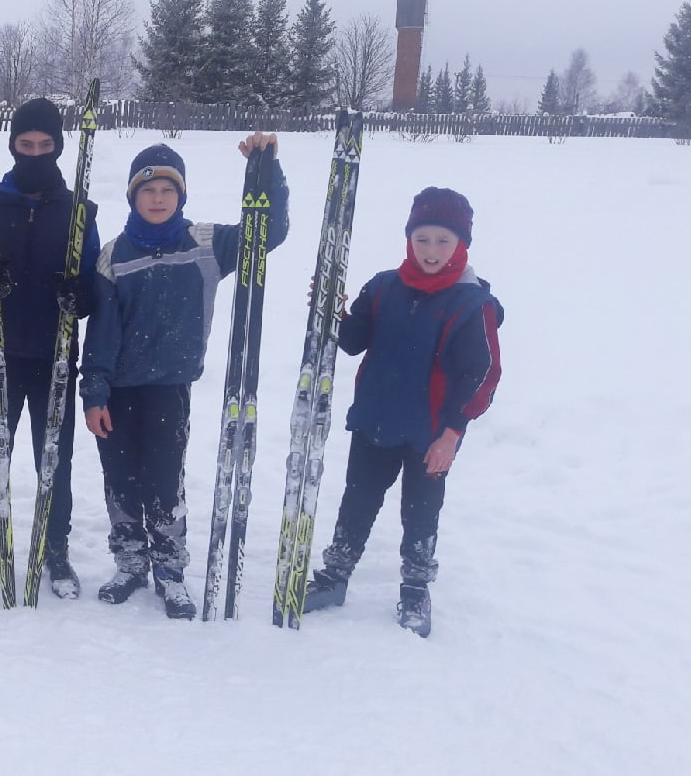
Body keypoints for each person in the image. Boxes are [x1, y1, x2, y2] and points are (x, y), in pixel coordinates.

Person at [80, 135, 288, 618]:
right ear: (132, 196)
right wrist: (94, 391)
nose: (157, 199)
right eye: (147, 190)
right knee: (120, 479)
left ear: (181, 196)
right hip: (117, 388)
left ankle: (170, 571)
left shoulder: (206, 244)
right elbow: (102, 333)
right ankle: (130, 562)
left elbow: (267, 232)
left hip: (170, 387)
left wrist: (266, 173)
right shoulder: (114, 255)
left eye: (167, 190)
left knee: (164, 480)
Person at [301, 187, 503, 637]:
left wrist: (452, 434)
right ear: (409, 239)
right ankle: (334, 577)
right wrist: (331, 311)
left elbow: (483, 375)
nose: (431, 251)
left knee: (420, 513)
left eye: (443, 241)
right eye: (423, 239)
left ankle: (415, 590)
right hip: (375, 421)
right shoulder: (384, 286)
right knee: (357, 501)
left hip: (431, 434)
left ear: (461, 244)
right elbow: (354, 341)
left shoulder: (474, 304)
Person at [0, 97, 99, 598]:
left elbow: (92, 279)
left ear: (58, 147)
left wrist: (79, 296)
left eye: (44, 145)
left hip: (55, 353)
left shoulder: (79, 210)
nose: (35, 152)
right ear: (12, 145)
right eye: (25, 144)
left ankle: (54, 546)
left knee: (53, 455)